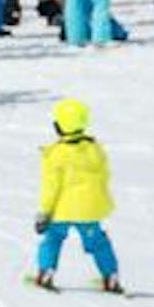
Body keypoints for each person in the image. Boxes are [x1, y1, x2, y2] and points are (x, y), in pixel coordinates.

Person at [33, 98, 121, 293]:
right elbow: (104, 176)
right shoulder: (94, 148)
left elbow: (51, 187)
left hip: (61, 211)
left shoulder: (56, 153)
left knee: (53, 238)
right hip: (89, 211)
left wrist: (44, 212)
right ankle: (111, 276)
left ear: (58, 126)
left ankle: (46, 272)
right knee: (98, 242)